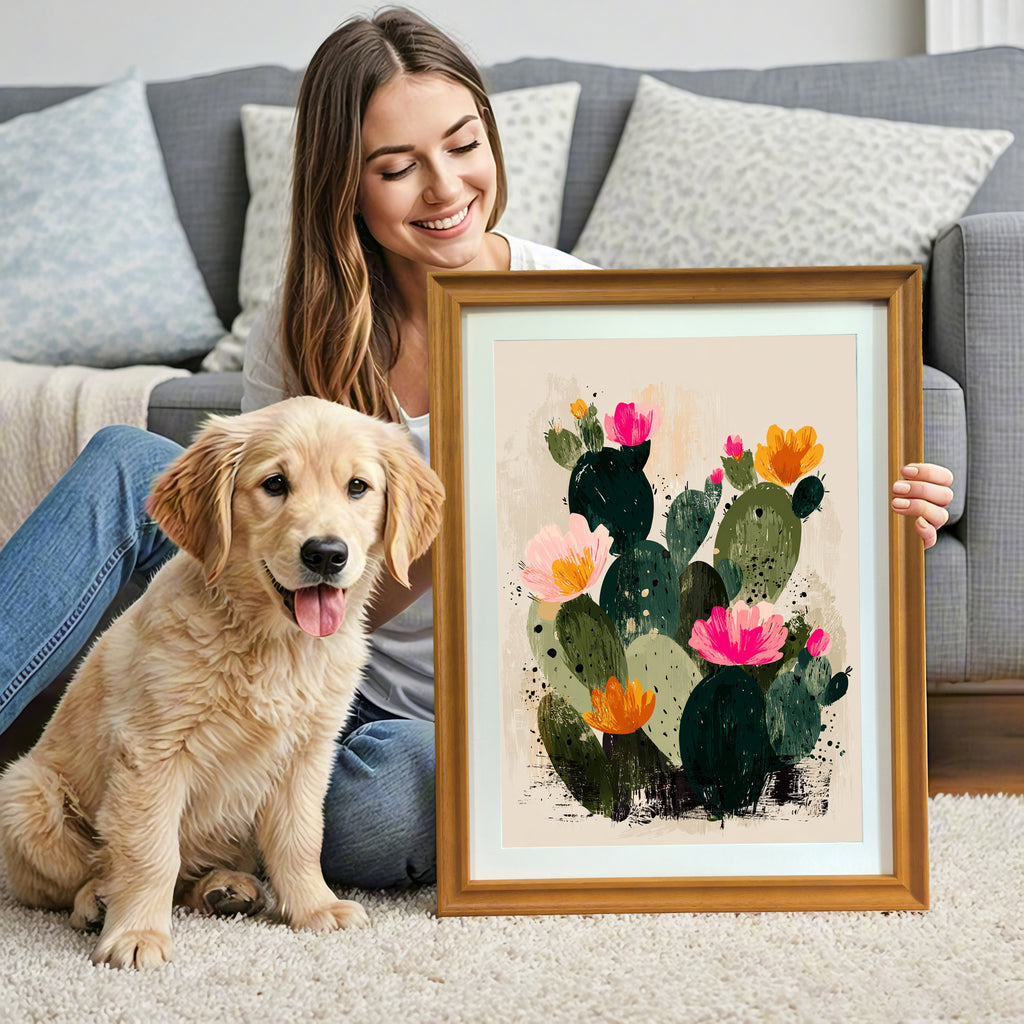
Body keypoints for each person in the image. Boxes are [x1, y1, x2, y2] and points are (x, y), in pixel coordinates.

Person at [0, 8, 955, 889]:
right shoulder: (304, 323)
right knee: (128, 460)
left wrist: (874, 510)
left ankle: (226, 844)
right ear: (345, 183)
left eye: (464, 145)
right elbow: (273, 545)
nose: (448, 187)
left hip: (425, 718)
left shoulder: (578, 308)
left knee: (375, 816)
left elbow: (700, 508)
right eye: (397, 165)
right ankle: (151, 821)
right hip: (298, 657)